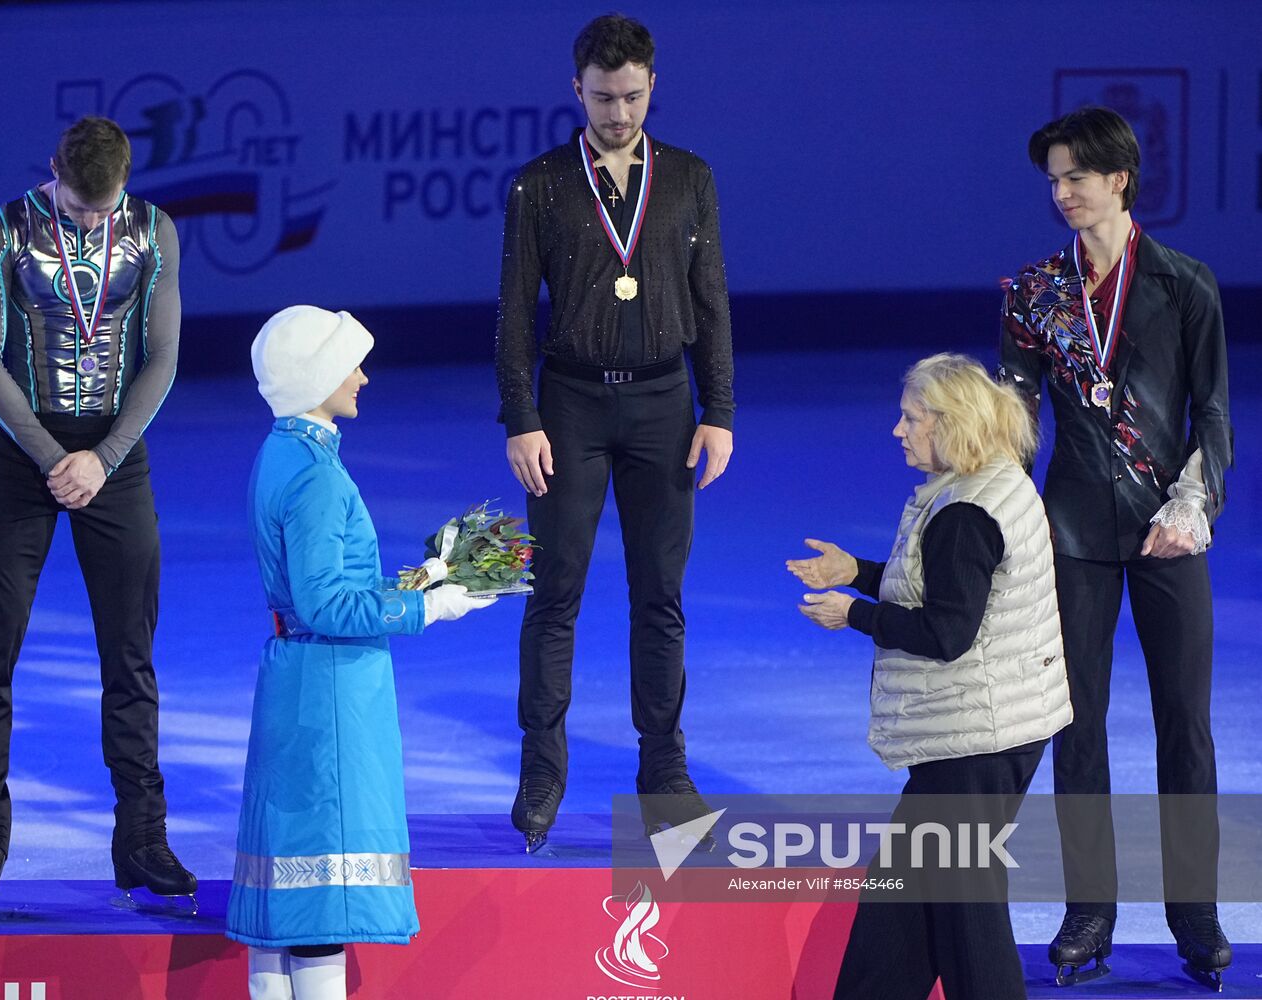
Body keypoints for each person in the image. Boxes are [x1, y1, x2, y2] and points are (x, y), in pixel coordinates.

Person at [1000, 106, 1233, 989]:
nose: (1061, 194)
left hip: (1171, 535)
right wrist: (993, 493)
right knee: (1078, 725)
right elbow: (1015, 418)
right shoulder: (1034, 293)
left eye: (1075, 178)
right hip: (1072, 534)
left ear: (1118, 181)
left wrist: (1194, 501)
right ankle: (1087, 912)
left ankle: (1198, 914)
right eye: (1053, 180)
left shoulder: (1185, 284)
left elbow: (1211, 412)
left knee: (1188, 726)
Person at [494, 13, 735, 852]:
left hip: (667, 409)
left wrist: (721, 410)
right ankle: (542, 770)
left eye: (632, 96)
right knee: (553, 595)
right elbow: (515, 315)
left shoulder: (691, 179)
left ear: (652, 86)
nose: (619, 113)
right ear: (577, 90)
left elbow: (711, 300)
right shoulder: (542, 184)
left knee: (659, 598)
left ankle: (664, 769)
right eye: (603, 97)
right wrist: (520, 418)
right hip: (570, 409)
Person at [0, 116, 195, 912]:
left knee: (131, 657)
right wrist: (50, 456)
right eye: (79, 206)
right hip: (22, 459)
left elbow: (161, 356)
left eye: (104, 209)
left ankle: (142, 837)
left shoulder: (155, 229)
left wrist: (104, 456)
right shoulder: (4, 228)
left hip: (114, 460)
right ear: (51, 167)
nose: (92, 219)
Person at [229, 306, 496, 1000]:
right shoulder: (316, 477)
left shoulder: (282, 452)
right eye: (351, 364)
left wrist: (421, 578)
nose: (364, 377)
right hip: (330, 698)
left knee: (286, 899)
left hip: (297, 679)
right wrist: (429, 607)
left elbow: (317, 590)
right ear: (318, 376)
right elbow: (325, 606)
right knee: (323, 896)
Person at [788, 354, 1072, 1000]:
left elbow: (946, 632)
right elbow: (938, 583)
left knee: (968, 926)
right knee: (900, 915)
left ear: (949, 424)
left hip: (975, 743)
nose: (898, 430)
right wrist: (855, 571)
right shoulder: (990, 481)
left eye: (911, 418)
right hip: (986, 732)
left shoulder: (964, 514)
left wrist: (854, 614)